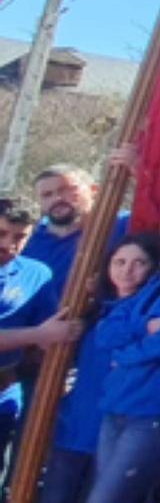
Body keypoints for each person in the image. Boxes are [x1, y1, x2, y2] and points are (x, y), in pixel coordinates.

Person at [42, 233, 160, 503]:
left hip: (138, 417)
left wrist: (130, 347)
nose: (127, 270)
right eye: (119, 262)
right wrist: (142, 328)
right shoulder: (97, 309)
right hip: (84, 422)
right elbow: (107, 336)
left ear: (153, 267)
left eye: (139, 262)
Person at [0, 197, 83, 482]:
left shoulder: (36, 273)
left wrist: (57, 369)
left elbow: (51, 327)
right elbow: (41, 332)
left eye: (20, 236)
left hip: (6, 391)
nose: (9, 244)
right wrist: (37, 335)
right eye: (1, 234)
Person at [24, 162, 131, 299]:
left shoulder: (122, 225)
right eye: (46, 195)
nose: (57, 199)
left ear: (94, 190)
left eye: (66, 190)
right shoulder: (25, 238)